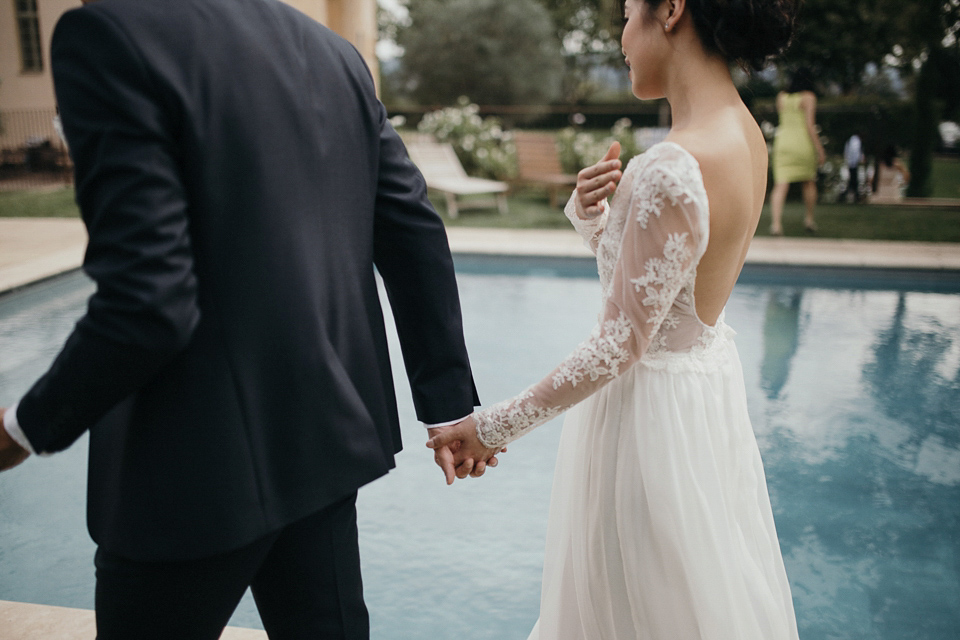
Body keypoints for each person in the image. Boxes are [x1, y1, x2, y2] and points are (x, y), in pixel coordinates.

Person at [0, 0, 484, 637]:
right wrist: (447, 403)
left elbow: (148, 303)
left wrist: (22, 428)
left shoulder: (108, 35)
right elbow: (414, 232)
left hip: (190, 466)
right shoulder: (329, 50)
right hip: (324, 436)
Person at [428, 0, 802, 637]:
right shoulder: (742, 132)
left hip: (646, 424)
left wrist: (492, 426)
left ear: (672, 10)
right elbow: (669, 299)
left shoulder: (673, 162)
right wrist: (592, 220)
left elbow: (622, 342)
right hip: (699, 406)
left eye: (628, 14)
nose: (622, 37)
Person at [769, 67, 826, 235]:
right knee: (809, 182)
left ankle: (776, 224)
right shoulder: (809, 97)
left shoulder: (781, 97)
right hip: (802, 143)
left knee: (781, 184)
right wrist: (819, 149)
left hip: (783, 142)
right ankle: (809, 219)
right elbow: (810, 125)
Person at [844, 132, 864, 203]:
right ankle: (855, 195)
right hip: (853, 163)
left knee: (852, 180)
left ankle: (851, 194)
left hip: (851, 163)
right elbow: (855, 152)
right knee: (854, 180)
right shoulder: (856, 141)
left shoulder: (850, 140)